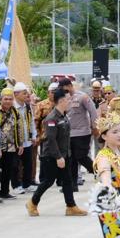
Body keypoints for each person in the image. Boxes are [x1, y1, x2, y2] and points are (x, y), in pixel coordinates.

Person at [27, 88, 86, 216]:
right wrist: (58, 157)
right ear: (62, 101)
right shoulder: (52, 117)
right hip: (51, 155)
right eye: (68, 99)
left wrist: (66, 154)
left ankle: (71, 206)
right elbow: (51, 139)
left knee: (67, 180)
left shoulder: (64, 115)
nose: (70, 101)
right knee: (48, 181)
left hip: (64, 154)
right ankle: (32, 202)